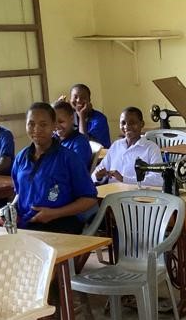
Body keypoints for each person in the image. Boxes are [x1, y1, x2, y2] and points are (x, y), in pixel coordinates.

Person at [10, 102, 98, 234]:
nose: (36, 129)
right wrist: (11, 210)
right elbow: (19, 193)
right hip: (26, 222)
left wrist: (54, 213)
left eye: (43, 124)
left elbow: (89, 199)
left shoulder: (69, 158)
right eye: (31, 124)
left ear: (53, 126)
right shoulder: (21, 157)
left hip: (60, 222)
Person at [92, 106, 164, 187]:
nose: (126, 126)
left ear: (142, 124)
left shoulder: (151, 148)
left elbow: (158, 180)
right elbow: (97, 173)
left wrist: (124, 179)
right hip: (112, 195)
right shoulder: (116, 146)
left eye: (132, 123)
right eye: (123, 123)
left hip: (136, 196)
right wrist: (98, 177)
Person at [58, 83, 111, 148]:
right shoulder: (70, 117)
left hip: (99, 156)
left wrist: (81, 116)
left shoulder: (99, 119)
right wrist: (59, 112)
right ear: (70, 100)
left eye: (83, 97)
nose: (78, 100)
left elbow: (84, 143)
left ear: (89, 100)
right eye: (75, 97)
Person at [54, 100, 94, 173]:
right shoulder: (53, 140)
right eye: (53, 122)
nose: (56, 126)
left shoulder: (79, 142)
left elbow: (76, 171)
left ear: (72, 119)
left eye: (61, 121)